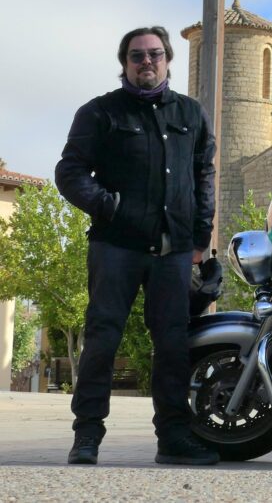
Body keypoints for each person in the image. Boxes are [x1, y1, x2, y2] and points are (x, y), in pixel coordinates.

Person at [55, 26, 218, 466]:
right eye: (136, 56)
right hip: (116, 247)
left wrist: (201, 238)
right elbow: (69, 173)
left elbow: (204, 174)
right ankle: (86, 436)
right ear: (124, 62)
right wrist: (109, 207)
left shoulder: (191, 113)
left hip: (175, 250)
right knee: (102, 341)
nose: (146, 62)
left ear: (168, 59)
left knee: (172, 346)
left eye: (155, 54)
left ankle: (173, 439)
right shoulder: (100, 113)